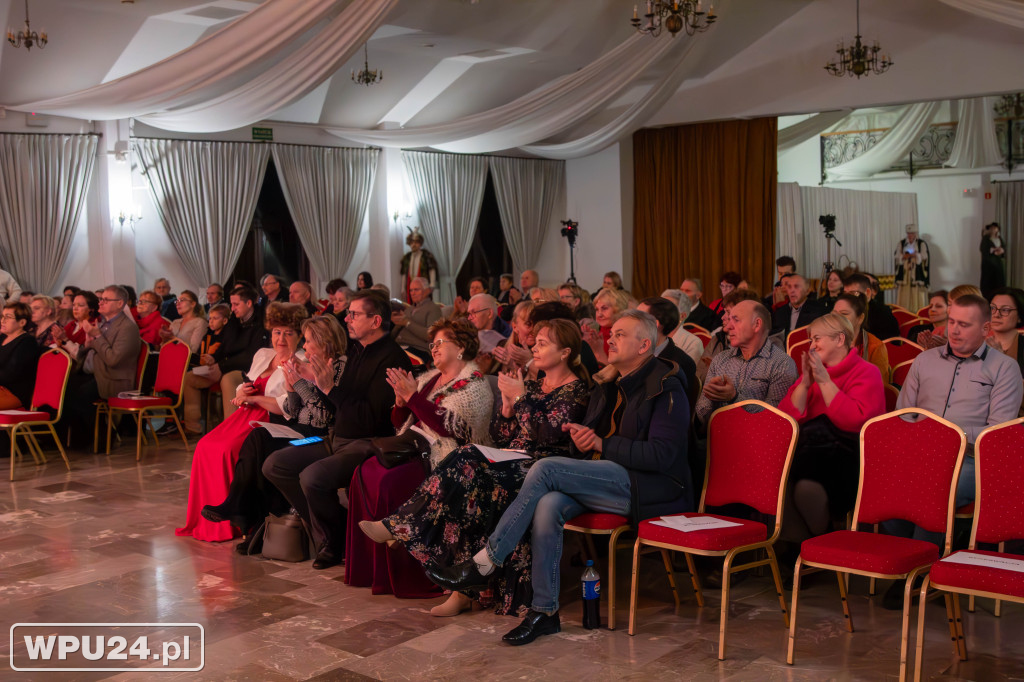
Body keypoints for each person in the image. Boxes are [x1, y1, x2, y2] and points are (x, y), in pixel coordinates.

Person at [425, 311, 691, 645]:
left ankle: (485, 562)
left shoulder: (665, 385)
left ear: (644, 345)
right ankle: (544, 612)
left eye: (620, 334)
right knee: (548, 504)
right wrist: (588, 437)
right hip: (615, 478)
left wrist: (601, 443)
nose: (610, 338)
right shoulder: (615, 383)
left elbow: (662, 456)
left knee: (547, 467)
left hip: (654, 488)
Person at [362, 319, 590, 617]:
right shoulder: (534, 384)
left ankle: (404, 526)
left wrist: (519, 399)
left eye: (543, 343)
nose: (534, 347)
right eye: (536, 341)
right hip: (514, 459)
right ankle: (460, 589)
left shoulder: (576, 390)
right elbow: (504, 432)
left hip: (544, 468)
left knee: (466, 458)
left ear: (565, 353)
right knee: (466, 488)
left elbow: (547, 435)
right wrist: (508, 408)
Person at [884, 295, 1023, 607]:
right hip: (921, 452)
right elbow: (904, 413)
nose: (954, 330)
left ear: (986, 329)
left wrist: (946, 434)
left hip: (974, 458)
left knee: (937, 486)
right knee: (886, 480)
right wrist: (918, 441)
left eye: (964, 324)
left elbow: (998, 431)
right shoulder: (924, 361)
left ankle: (917, 574)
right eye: (952, 322)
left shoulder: (1004, 369)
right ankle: (911, 561)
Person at [262, 290, 412, 569]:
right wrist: (308, 384)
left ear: (376, 320)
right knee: (275, 463)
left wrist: (329, 387)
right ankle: (331, 529)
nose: (348, 318)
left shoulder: (392, 359)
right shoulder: (356, 350)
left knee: (312, 477)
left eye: (354, 314)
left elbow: (370, 418)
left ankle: (332, 542)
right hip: (332, 437)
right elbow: (331, 412)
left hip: (366, 442)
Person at [353, 318, 495, 609]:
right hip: (417, 446)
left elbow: (452, 429)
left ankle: (421, 568)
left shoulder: (475, 384)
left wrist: (413, 397)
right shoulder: (431, 378)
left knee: (389, 481)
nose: (434, 349)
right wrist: (401, 402)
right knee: (365, 471)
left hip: (454, 457)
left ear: (461, 348)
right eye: (432, 344)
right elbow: (401, 422)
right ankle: (379, 568)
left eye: (441, 343)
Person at [201, 315, 347, 546]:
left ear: (324, 342)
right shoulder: (307, 364)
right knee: (258, 436)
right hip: (298, 430)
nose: (305, 346)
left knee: (268, 451)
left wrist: (300, 382)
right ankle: (253, 519)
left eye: (308, 341)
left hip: (317, 438)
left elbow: (322, 418)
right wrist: (291, 387)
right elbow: (291, 408)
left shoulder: (338, 367)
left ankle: (246, 515)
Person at [176, 302, 307, 542]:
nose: (281, 338)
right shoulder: (263, 354)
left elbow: (288, 407)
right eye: (277, 332)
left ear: (299, 336)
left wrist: (254, 397)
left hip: (270, 420)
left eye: (288, 333)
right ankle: (207, 519)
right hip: (244, 414)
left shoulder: (301, 362)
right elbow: (244, 382)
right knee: (205, 446)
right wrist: (242, 391)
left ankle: (234, 519)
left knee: (226, 450)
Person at [778, 313, 886, 546]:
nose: (812, 345)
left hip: (850, 457)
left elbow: (856, 423)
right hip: (809, 454)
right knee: (777, 475)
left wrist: (825, 382)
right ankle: (800, 547)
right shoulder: (815, 371)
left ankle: (820, 543)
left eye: (817, 338)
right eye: (810, 340)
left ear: (839, 339)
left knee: (803, 484)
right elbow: (786, 418)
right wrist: (806, 383)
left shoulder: (867, 372)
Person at [695, 300, 798, 429]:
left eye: (736, 320)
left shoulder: (781, 364)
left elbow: (774, 421)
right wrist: (712, 400)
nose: (728, 327)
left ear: (757, 324)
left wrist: (734, 398)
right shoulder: (721, 359)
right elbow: (702, 420)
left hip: (759, 444)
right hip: (718, 439)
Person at [181, 286, 268, 434]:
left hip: (247, 369)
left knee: (227, 379)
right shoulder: (234, 321)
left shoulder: (261, 323)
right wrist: (212, 359)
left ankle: (231, 430)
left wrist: (220, 366)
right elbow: (225, 346)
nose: (232, 308)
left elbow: (251, 357)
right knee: (190, 378)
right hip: (224, 365)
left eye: (236, 304)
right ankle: (192, 427)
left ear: (248, 304)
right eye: (231, 304)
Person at [63, 286, 142, 446]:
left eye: (106, 300)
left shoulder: (127, 328)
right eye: (101, 299)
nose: (101, 302)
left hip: (114, 378)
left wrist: (97, 336)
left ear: (120, 303)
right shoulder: (106, 324)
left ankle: (104, 436)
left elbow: (113, 360)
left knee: (80, 396)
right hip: (96, 373)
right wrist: (87, 344)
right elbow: (87, 354)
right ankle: (76, 440)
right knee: (64, 389)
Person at [696, 288, 763, 384]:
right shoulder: (717, 339)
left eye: (728, 312)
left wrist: (718, 371)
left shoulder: (765, 346)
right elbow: (699, 378)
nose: (722, 317)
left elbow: (755, 389)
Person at [831, 293, 890, 382]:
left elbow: (878, 386)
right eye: (834, 314)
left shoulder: (874, 347)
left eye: (844, 314)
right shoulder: (824, 341)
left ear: (860, 318)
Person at [985, 287, 1024, 414]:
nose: (996, 314)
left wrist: (1002, 362)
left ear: (1019, 316)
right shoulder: (977, 345)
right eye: (992, 308)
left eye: (1005, 310)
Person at [0, 302, 42, 409]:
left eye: (8, 317)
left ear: (22, 322)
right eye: (2, 316)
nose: (2, 321)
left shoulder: (27, 342)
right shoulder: (1, 338)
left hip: (13, 393)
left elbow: (11, 374)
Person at [391, 277, 443, 360]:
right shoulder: (409, 309)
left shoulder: (433, 309)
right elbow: (394, 333)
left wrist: (407, 323)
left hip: (418, 349)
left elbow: (430, 335)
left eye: (416, 290)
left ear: (427, 291)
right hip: (399, 346)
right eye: (411, 290)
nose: (412, 293)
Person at [844, 273, 899, 341]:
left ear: (868, 293)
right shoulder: (843, 311)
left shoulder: (882, 313)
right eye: (845, 294)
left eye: (853, 294)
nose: (847, 299)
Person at [582, 287, 629, 365]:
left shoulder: (623, 335)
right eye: (597, 309)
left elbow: (615, 374)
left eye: (604, 308)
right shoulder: (599, 332)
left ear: (618, 309)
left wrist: (598, 351)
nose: (599, 314)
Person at [660, 289, 704, 365]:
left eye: (668, 308)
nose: (660, 312)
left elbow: (688, 375)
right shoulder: (650, 334)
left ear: (682, 316)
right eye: (660, 307)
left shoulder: (692, 343)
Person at [894, 223, 930, 312]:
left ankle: (917, 312)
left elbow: (925, 256)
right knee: (904, 293)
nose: (910, 235)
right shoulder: (902, 243)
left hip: (916, 272)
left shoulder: (921, 243)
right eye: (909, 234)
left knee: (917, 293)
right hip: (905, 273)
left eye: (912, 233)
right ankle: (903, 311)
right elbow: (897, 256)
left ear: (915, 234)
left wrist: (915, 255)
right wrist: (904, 256)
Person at [399, 229, 438, 302]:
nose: (414, 244)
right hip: (411, 286)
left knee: (424, 303)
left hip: (423, 286)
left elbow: (431, 269)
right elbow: (404, 273)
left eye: (416, 242)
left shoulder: (426, 255)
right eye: (412, 242)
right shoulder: (407, 257)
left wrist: (432, 284)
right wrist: (402, 288)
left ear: (420, 243)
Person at [979, 222, 1007, 300]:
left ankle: (999, 297)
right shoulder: (986, 238)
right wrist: (993, 250)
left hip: (998, 263)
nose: (994, 230)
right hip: (988, 263)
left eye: (995, 228)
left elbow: (1003, 248)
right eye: (992, 228)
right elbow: (983, 249)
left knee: (999, 280)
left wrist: (1002, 251)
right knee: (988, 281)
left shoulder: (999, 238)